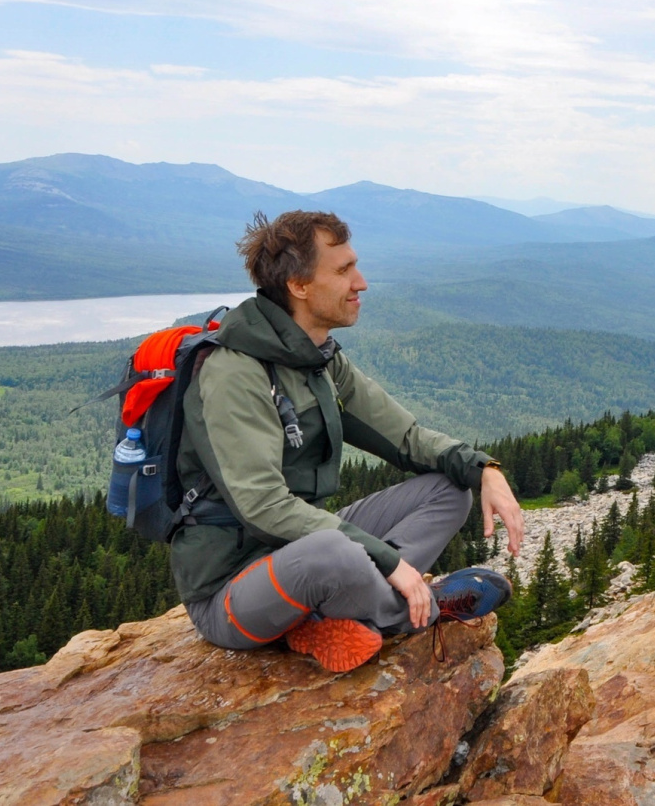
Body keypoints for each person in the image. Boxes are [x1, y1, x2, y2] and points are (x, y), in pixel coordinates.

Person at [172, 210, 527, 673]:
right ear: (299, 285)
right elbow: (262, 506)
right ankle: (420, 609)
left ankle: (335, 617)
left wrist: (483, 469)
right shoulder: (235, 373)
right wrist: (387, 561)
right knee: (335, 551)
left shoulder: (315, 358)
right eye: (342, 271)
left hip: (301, 553)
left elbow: (405, 437)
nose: (361, 283)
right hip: (231, 593)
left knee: (448, 487)